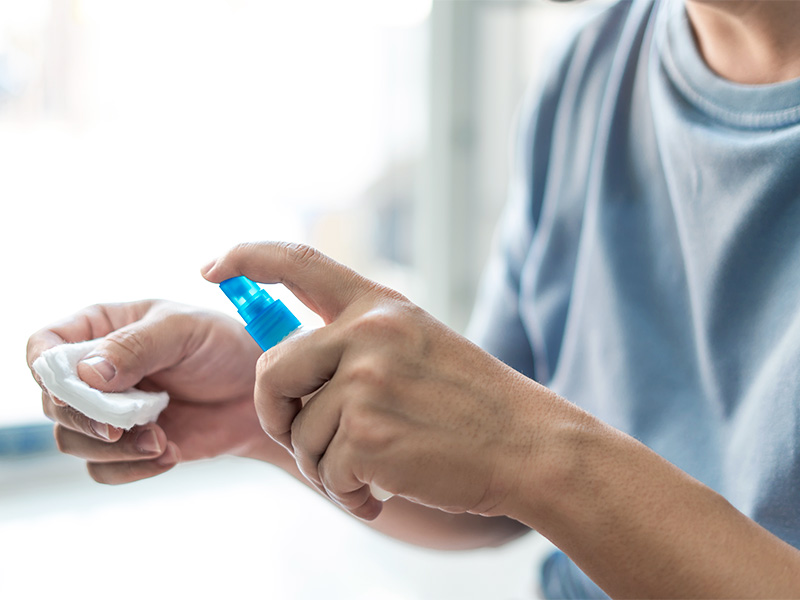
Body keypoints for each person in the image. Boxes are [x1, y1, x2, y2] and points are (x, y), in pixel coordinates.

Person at [27, 0, 800, 596]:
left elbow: (520, 453)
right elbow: (491, 490)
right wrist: (266, 409)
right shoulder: (595, 68)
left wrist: (532, 450)